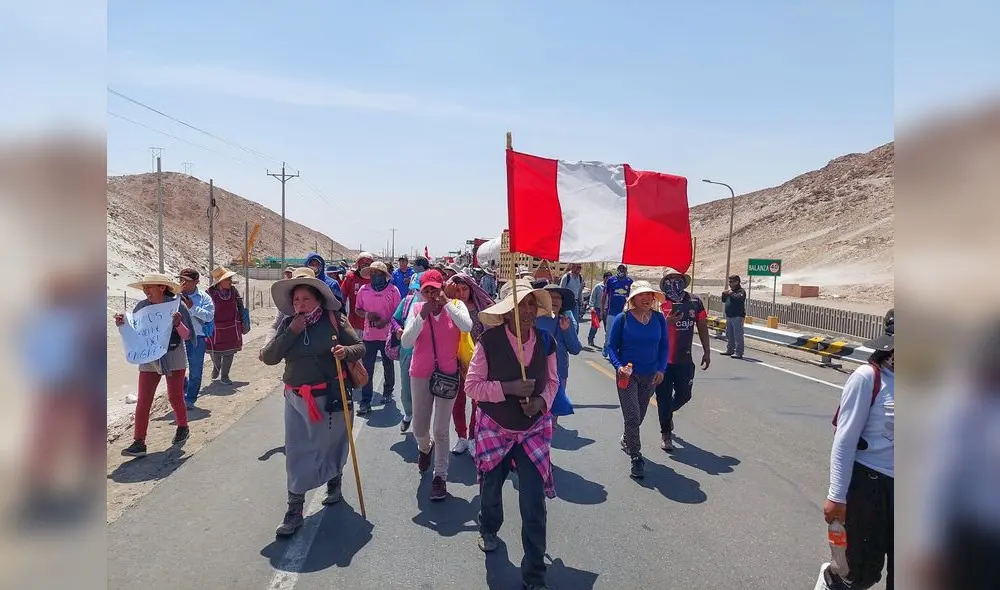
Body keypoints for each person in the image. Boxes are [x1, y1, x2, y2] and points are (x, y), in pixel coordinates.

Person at [465, 279, 558, 590]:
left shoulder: (546, 342)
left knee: (533, 503)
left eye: (532, 304)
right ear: (506, 313)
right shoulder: (488, 342)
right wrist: (508, 389)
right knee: (491, 489)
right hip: (495, 429)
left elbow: (553, 383)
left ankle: (535, 575)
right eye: (521, 305)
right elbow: (472, 387)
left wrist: (541, 402)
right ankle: (488, 527)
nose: (528, 310)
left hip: (532, 431)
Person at [260, 267, 366, 537]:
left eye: (305, 299)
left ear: (318, 299)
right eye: (296, 300)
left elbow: (360, 347)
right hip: (296, 398)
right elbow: (270, 357)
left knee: (330, 446)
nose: (300, 305)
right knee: (297, 452)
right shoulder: (287, 324)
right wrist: (291, 331)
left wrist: (345, 351)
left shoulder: (334, 320)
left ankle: (334, 483)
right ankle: (294, 510)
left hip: (329, 397)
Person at [815, 316, 894, 590]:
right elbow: (845, 441)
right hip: (870, 487)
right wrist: (837, 496)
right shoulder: (868, 379)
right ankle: (832, 581)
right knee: (860, 574)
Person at [400, 270, 473, 501]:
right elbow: (406, 341)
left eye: (435, 289)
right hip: (421, 374)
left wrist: (447, 306)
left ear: (442, 288)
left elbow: (467, 326)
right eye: (426, 290)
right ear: (421, 292)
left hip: (448, 376)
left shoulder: (456, 306)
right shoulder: (417, 309)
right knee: (420, 429)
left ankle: (440, 476)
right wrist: (422, 317)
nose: (431, 294)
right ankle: (425, 448)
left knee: (441, 429)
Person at [115, 273, 194, 457]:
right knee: (144, 400)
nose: (146, 291)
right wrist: (122, 325)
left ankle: (182, 427)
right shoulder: (142, 307)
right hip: (149, 357)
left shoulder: (177, 306)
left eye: (149, 287)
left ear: (162, 287)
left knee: (175, 396)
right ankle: (139, 441)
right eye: (144, 288)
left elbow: (187, 336)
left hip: (173, 355)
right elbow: (134, 333)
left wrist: (178, 324)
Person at [606, 280, 668, 480]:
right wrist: (619, 367)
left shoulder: (659, 319)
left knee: (639, 416)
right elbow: (611, 347)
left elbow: (664, 346)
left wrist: (661, 368)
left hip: (650, 376)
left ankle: (627, 438)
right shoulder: (622, 319)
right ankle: (636, 457)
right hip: (628, 376)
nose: (646, 298)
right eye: (642, 295)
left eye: (649, 295)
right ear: (633, 298)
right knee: (632, 416)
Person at [655, 269, 711, 451]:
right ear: (665, 282)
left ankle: (667, 413)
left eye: (677, 278)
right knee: (663, 398)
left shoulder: (694, 301)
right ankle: (666, 433)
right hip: (662, 362)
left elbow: (702, 325)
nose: (674, 281)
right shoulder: (658, 302)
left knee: (685, 395)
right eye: (670, 278)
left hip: (684, 360)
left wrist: (707, 351)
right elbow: (648, 325)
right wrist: (666, 322)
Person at [444, 273, 494, 454]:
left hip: (479, 360)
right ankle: (461, 438)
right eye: (457, 290)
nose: (461, 293)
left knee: (477, 402)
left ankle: (473, 437)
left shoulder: (482, 306)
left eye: (464, 289)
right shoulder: (450, 307)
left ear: (471, 289)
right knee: (457, 400)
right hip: (454, 360)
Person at [354, 261, 401, 414]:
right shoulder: (363, 290)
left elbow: (398, 314)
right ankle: (365, 401)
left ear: (385, 276)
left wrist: (385, 321)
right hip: (369, 336)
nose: (375, 276)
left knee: (388, 365)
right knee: (367, 368)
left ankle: (388, 391)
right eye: (373, 273)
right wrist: (367, 315)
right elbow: (358, 310)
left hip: (387, 336)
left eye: (379, 274)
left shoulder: (393, 291)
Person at [535, 284, 582, 429]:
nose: (555, 300)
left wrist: (567, 330)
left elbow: (575, 349)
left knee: (552, 417)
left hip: (558, 375)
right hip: (535, 373)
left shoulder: (565, 321)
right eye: (551, 297)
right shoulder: (532, 319)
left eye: (558, 298)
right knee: (535, 414)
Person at [177, 268, 215, 409]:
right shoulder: (174, 296)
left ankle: (190, 398)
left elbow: (209, 316)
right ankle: (182, 391)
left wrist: (192, 307)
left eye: (186, 281)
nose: (183, 283)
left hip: (197, 338)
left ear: (196, 282)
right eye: (181, 280)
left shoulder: (204, 298)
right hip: (177, 337)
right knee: (177, 368)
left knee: (196, 369)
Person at [393, 273, 423, 433]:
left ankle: (423, 426)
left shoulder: (435, 305)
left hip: (427, 353)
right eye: (417, 289)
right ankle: (408, 414)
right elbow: (395, 319)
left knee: (425, 390)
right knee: (406, 386)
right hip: (407, 350)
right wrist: (398, 329)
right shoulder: (407, 301)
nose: (420, 293)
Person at [206, 267, 247, 386]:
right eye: (228, 279)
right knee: (215, 353)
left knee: (229, 353)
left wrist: (243, 320)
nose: (230, 281)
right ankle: (216, 367)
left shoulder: (234, 291)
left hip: (232, 327)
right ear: (220, 282)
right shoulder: (209, 293)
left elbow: (240, 306)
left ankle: (225, 376)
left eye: (230, 279)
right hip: (215, 328)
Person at [602, 264, 633, 358]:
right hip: (612, 311)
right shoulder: (611, 280)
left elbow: (632, 297)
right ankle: (606, 346)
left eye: (623, 269)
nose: (621, 271)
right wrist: (602, 308)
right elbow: (604, 295)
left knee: (623, 333)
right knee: (609, 332)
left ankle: (617, 351)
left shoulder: (629, 281)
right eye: (620, 269)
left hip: (624, 312)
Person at [341, 252, 374, 334]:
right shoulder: (350, 277)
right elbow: (342, 297)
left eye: (368, 263)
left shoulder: (375, 278)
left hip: (372, 323)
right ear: (358, 264)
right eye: (363, 262)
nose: (365, 265)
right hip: (354, 322)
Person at [721, 274, 747, 359]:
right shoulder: (730, 292)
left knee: (738, 335)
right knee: (729, 334)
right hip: (729, 316)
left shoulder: (741, 291)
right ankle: (730, 349)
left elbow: (739, 299)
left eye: (731, 282)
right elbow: (724, 300)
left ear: (737, 282)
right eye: (729, 282)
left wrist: (731, 293)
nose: (730, 284)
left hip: (738, 316)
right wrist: (724, 294)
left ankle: (739, 352)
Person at [587, 271, 612, 347]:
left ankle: (608, 343)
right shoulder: (598, 287)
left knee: (608, 328)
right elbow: (592, 297)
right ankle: (590, 339)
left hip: (607, 310)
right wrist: (591, 307)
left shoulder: (612, 287)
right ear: (604, 278)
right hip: (597, 309)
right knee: (594, 326)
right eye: (608, 278)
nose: (609, 280)